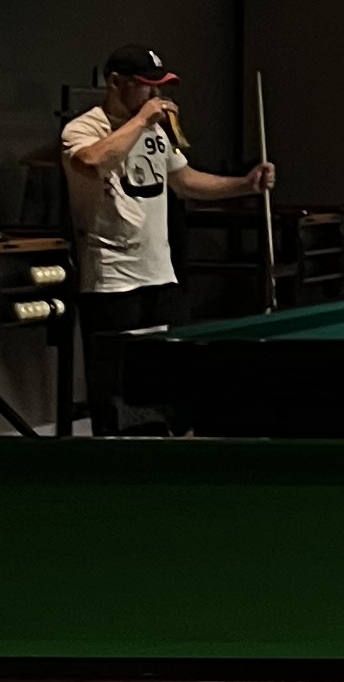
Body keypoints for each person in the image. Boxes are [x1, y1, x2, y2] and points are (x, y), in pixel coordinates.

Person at [59, 45, 274, 431]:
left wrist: (245, 184)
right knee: (117, 387)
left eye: (158, 86)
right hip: (111, 276)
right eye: (145, 85)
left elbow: (184, 180)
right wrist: (142, 119)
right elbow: (92, 162)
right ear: (115, 83)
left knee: (170, 381)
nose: (155, 94)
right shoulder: (85, 127)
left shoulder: (155, 130)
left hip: (161, 273)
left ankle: (167, 445)